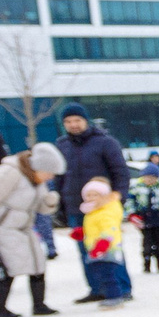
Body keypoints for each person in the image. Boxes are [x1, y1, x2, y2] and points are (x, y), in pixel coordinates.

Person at [0, 142, 64, 317]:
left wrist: (49, 202)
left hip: (24, 229)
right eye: (49, 173)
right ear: (39, 167)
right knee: (8, 268)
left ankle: (39, 305)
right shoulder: (7, 173)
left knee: (37, 263)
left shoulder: (35, 179)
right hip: (1, 228)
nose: (50, 178)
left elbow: (40, 207)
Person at [52, 105, 129, 301]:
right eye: (68, 122)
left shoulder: (105, 142)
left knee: (109, 246)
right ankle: (97, 289)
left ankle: (122, 288)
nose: (73, 125)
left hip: (103, 206)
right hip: (76, 205)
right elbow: (59, 178)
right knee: (86, 249)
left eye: (77, 120)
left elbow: (120, 172)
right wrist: (61, 204)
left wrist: (118, 195)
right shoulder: (62, 145)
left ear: (86, 121)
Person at [73, 178, 131, 309]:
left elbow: (109, 230)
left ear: (104, 196)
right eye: (88, 195)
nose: (91, 198)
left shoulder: (105, 212)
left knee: (108, 274)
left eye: (95, 195)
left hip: (107, 249)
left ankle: (115, 297)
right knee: (101, 273)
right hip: (95, 248)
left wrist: (103, 244)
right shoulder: (92, 212)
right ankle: (112, 296)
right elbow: (94, 228)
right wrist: (82, 232)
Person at [127, 163, 159, 272]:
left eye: (153, 177)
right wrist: (132, 214)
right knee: (147, 243)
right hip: (144, 219)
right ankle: (147, 264)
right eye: (147, 177)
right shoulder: (136, 187)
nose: (150, 180)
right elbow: (129, 201)